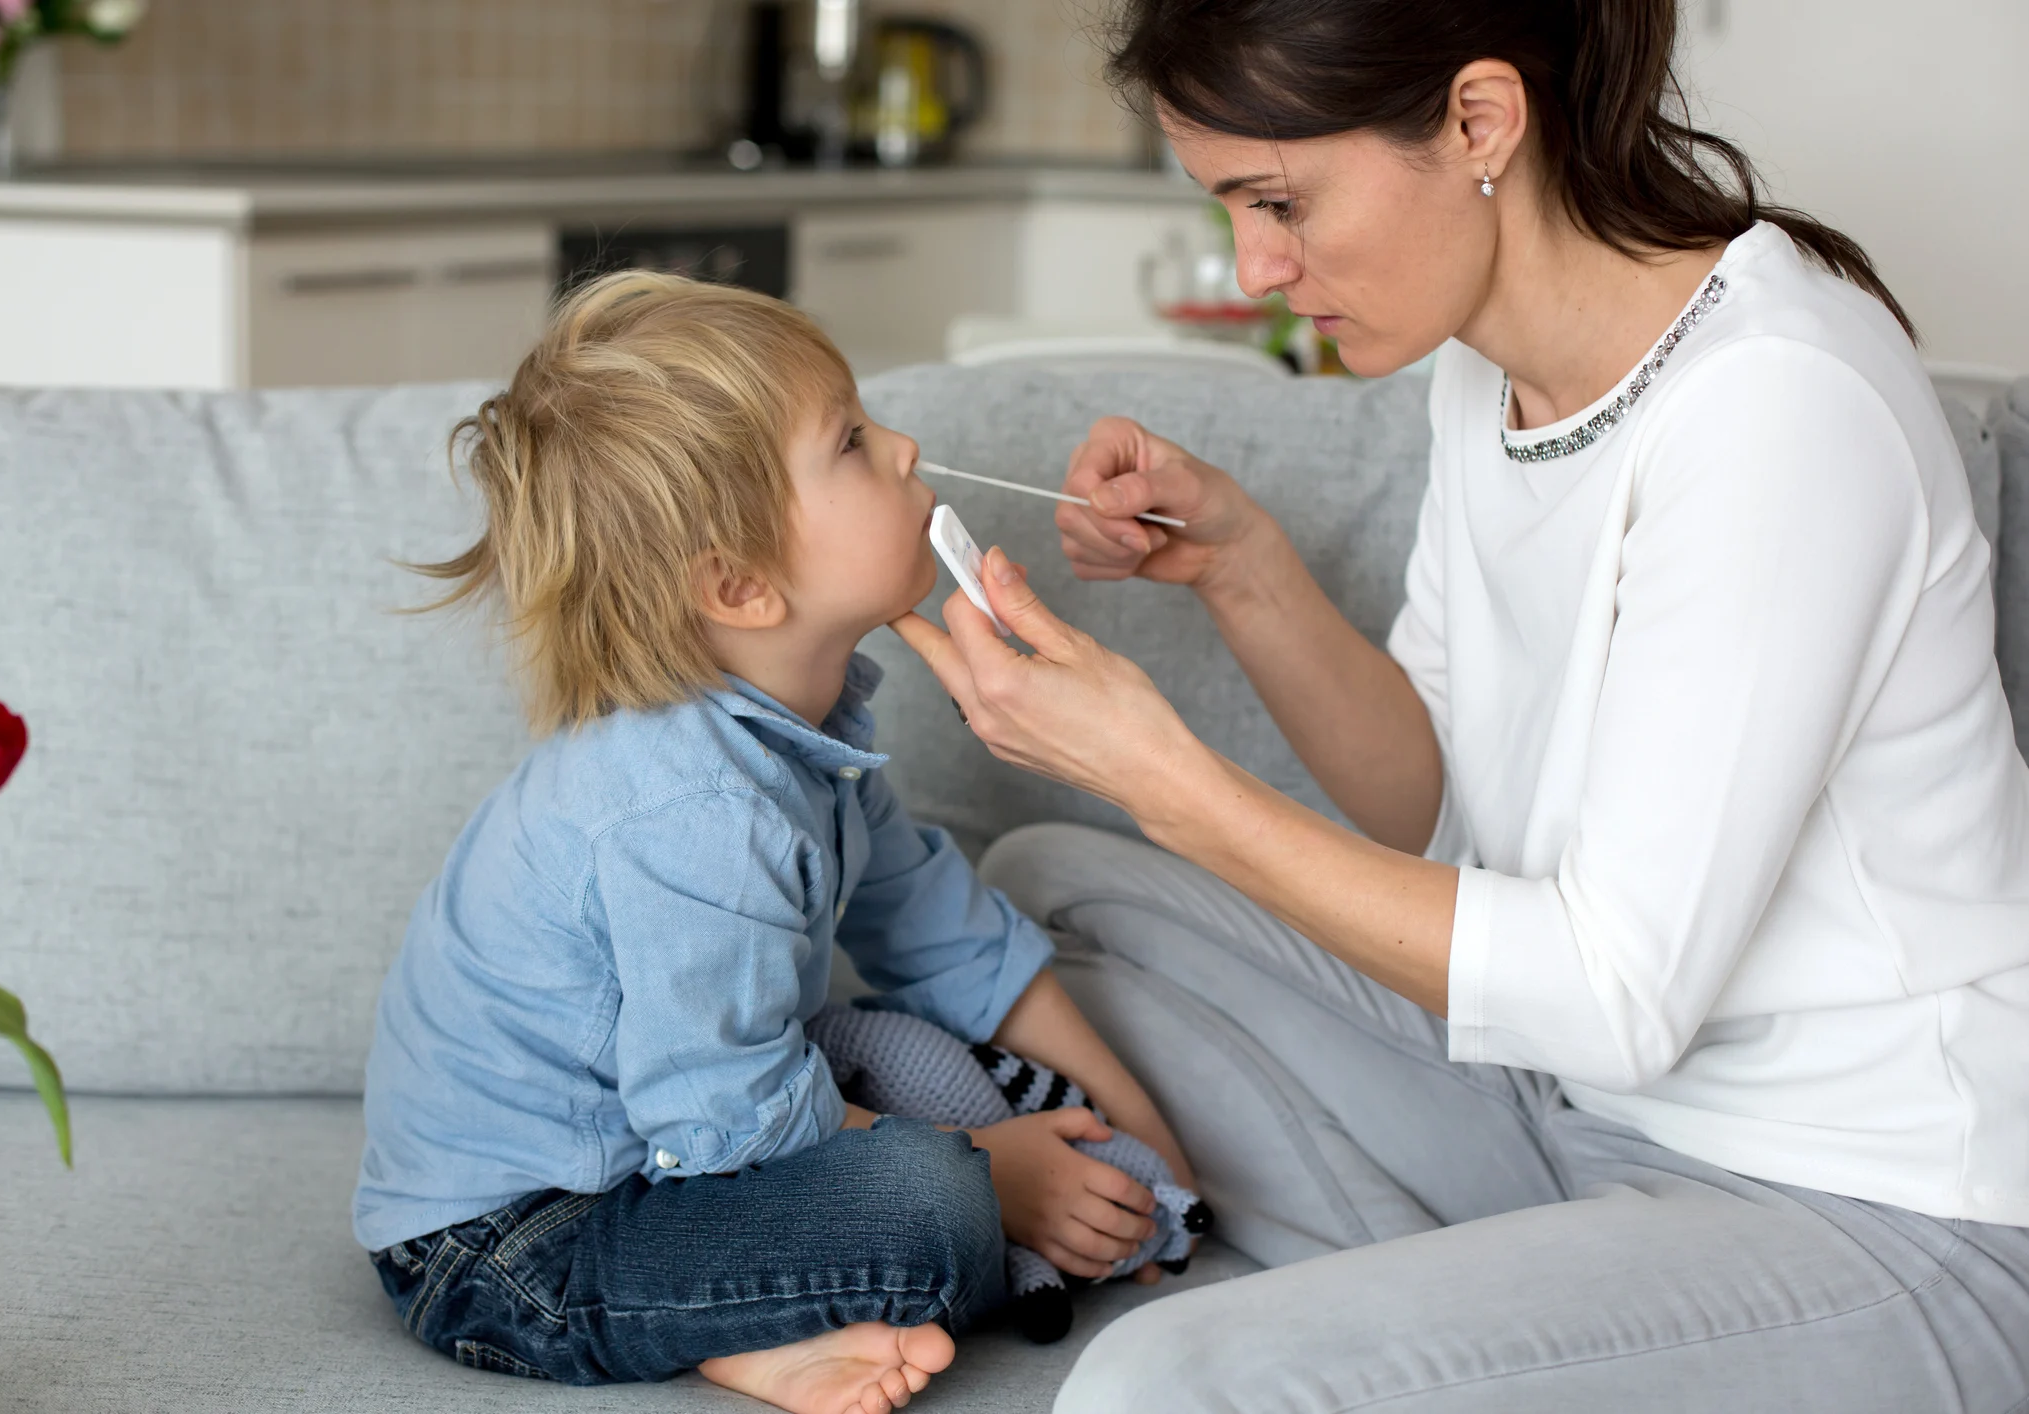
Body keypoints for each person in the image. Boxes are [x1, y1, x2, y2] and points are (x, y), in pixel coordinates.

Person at [889, 0, 2029, 1409]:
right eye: (1231, 207)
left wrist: (1167, 776)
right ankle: (1504, 1319)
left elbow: (1614, 992)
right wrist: (1245, 569)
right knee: (1047, 884)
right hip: (1574, 1116)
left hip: (1875, 1204)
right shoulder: (1482, 369)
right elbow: (1430, 802)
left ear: (1481, 121)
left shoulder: (1775, 407)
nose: (1254, 266)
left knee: (1158, 1387)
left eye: (1279, 199)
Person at [352, 271, 1191, 1414]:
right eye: (849, 440)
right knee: (932, 1207)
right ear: (740, 584)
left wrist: (1145, 1138)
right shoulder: (696, 807)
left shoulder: (810, 732)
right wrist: (1007, 1180)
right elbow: (735, 1114)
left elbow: (947, 938)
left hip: (667, 1163)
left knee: (886, 1054)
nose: (901, 447)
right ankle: (723, 1330)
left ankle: (758, 1317)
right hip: (509, 1244)